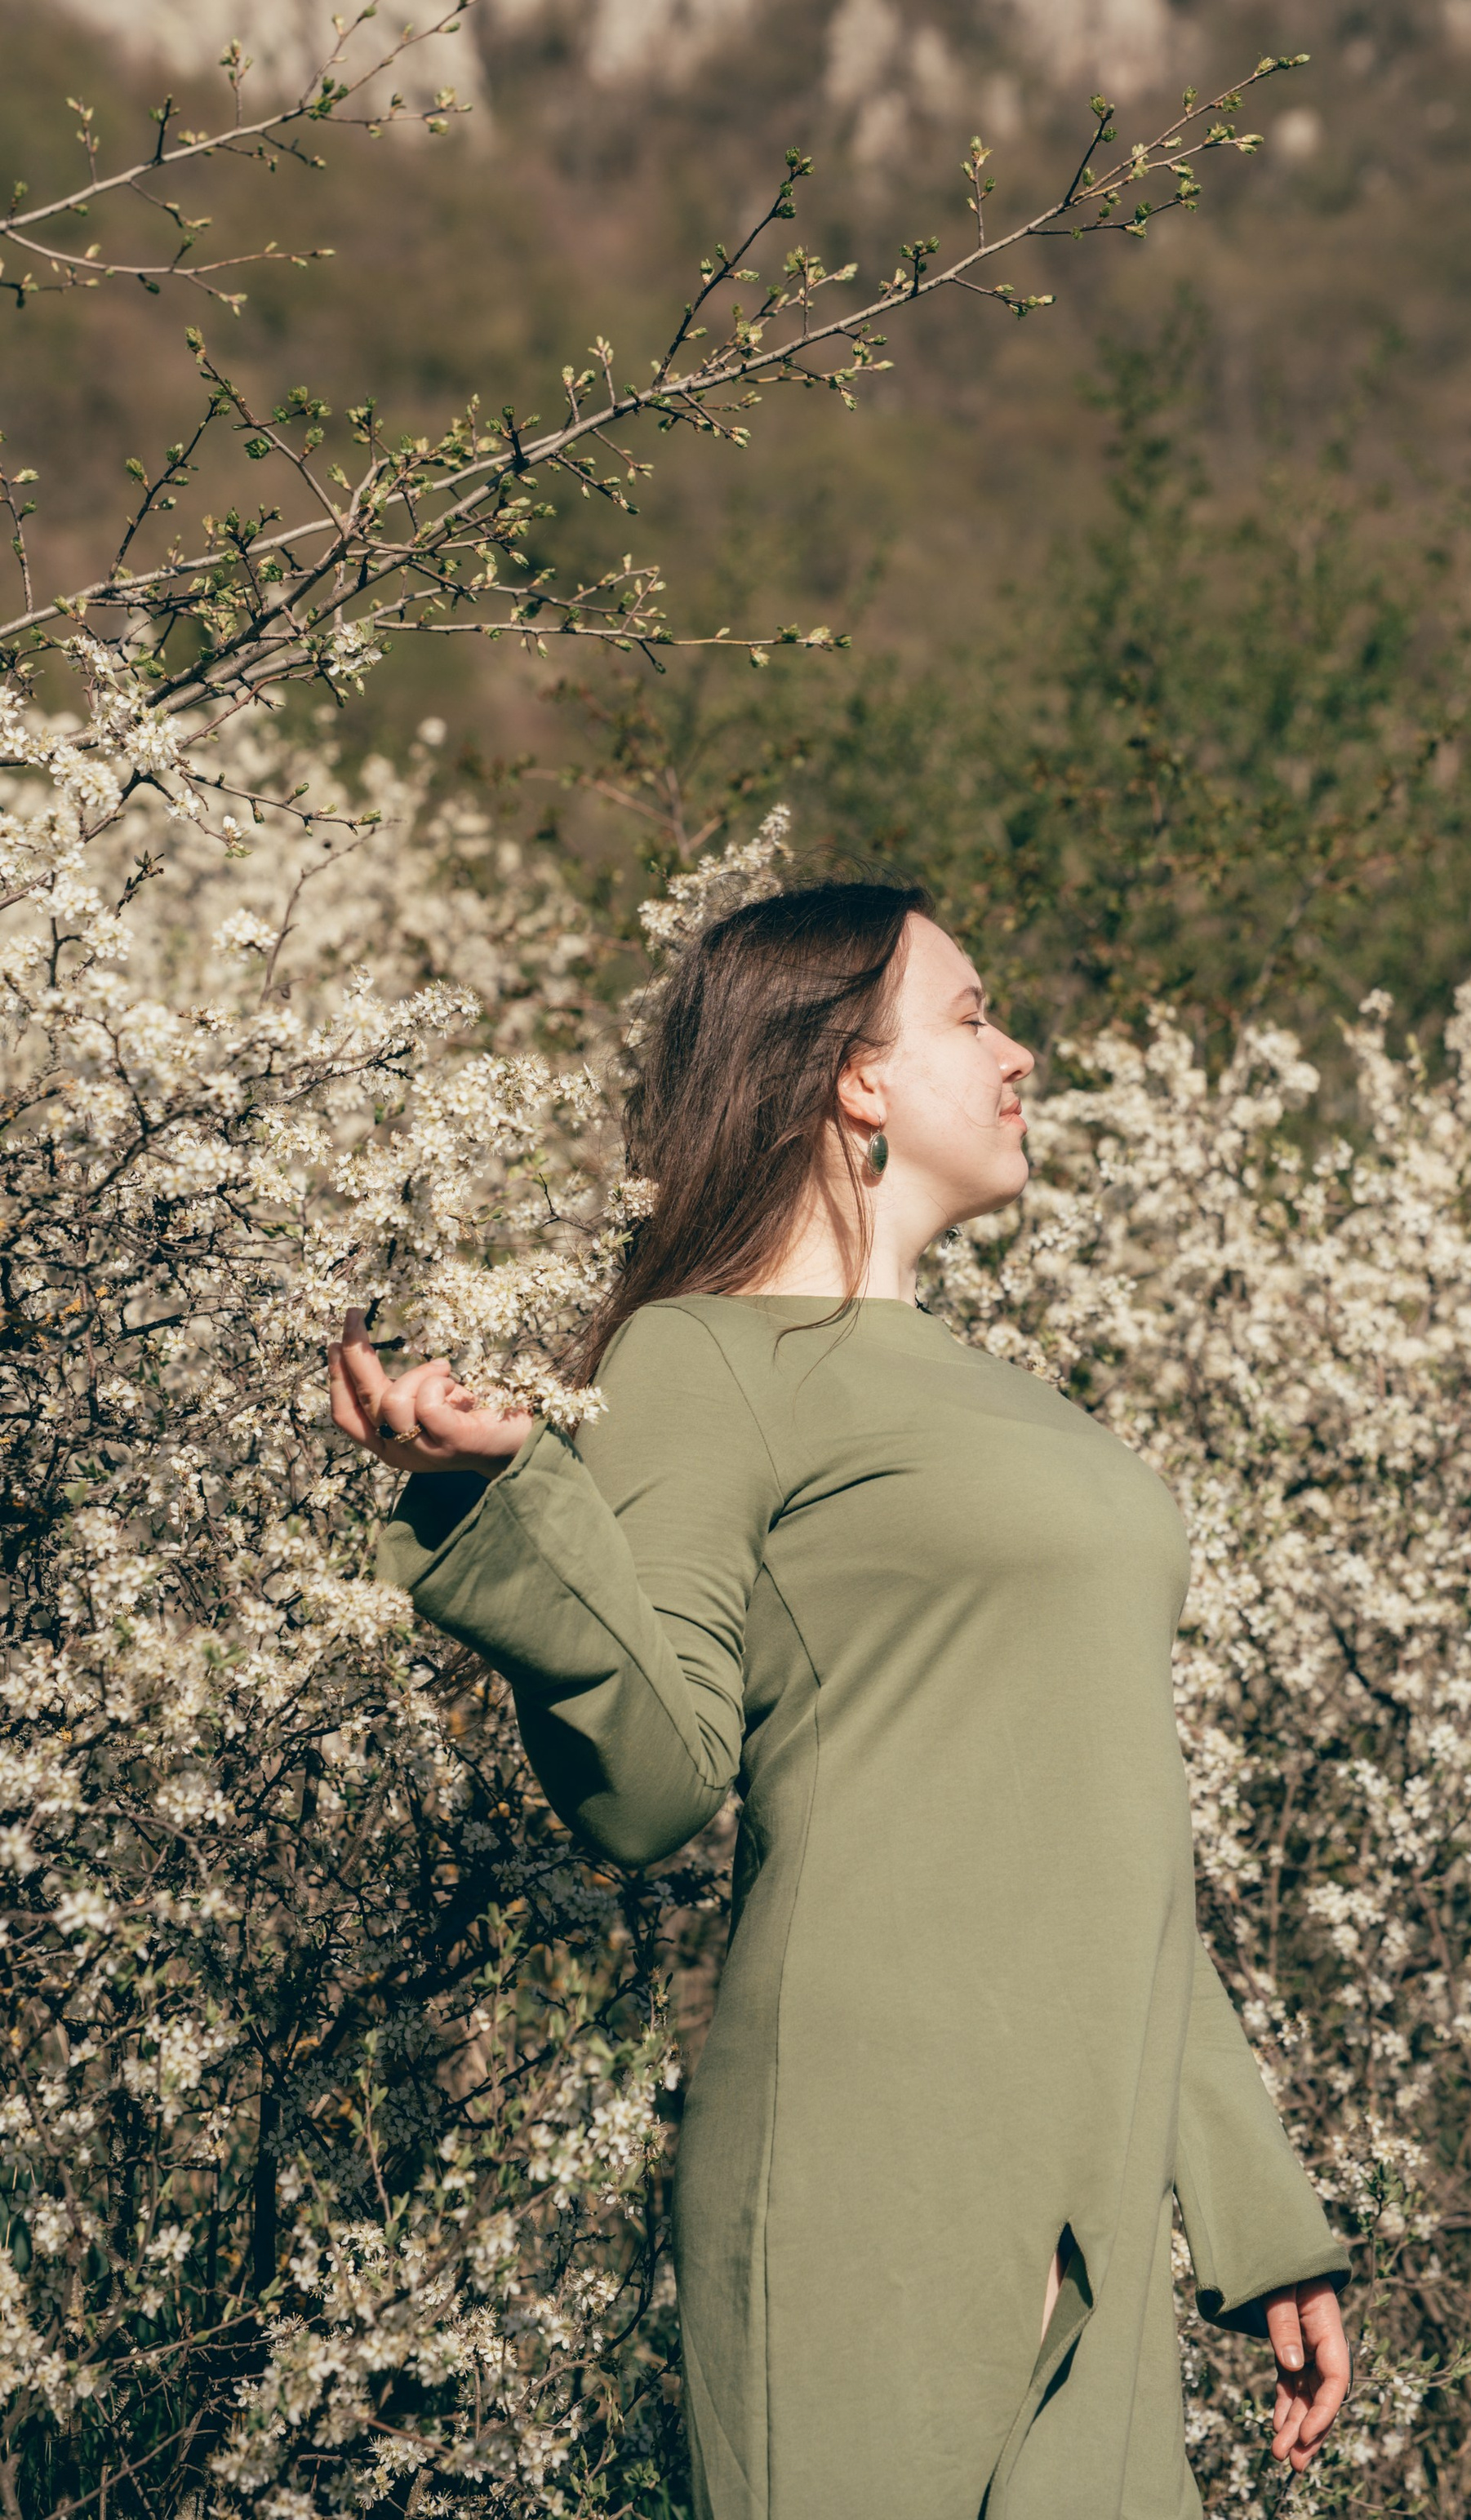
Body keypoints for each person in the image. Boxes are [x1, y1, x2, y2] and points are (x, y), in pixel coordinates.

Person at [331, 882, 1350, 2520]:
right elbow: (648, 1787)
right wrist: (507, 1500)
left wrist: (1252, 2210)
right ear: (853, 1079)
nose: (1017, 1050)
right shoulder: (697, 1361)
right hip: (864, 2141)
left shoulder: (1025, 1409)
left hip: (1086, 2163)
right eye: (969, 1013)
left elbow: (1105, 1833)